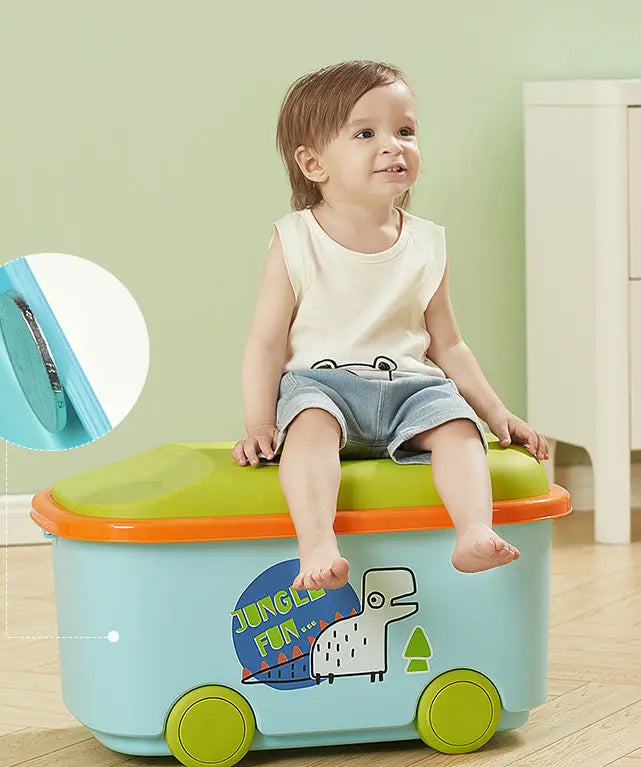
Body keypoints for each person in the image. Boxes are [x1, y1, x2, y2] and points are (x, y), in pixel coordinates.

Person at [233, 60, 549, 592]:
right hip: (323, 387)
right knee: (308, 428)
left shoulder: (427, 243)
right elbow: (265, 344)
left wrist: (497, 415)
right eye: (366, 134)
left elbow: (448, 343)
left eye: (405, 131)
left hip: (409, 389)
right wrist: (260, 423)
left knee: (458, 427)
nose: (393, 146)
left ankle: (473, 531)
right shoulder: (296, 239)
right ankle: (317, 544)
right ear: (313, 163)